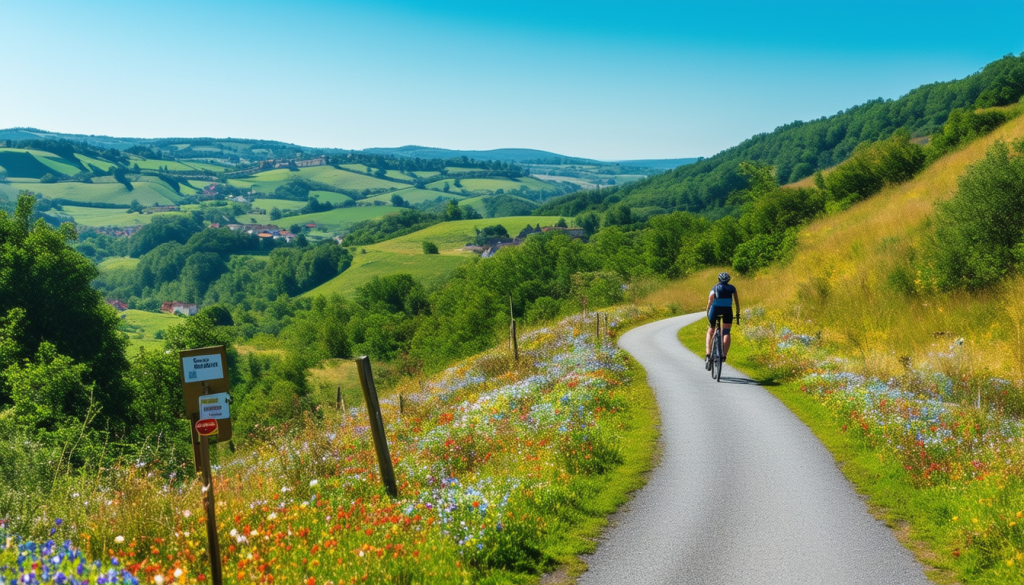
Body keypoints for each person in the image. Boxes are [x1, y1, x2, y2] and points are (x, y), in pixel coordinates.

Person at [705, 272, 739, 370]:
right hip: (728, 310)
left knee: (711, 330)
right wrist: (737, 313)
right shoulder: (732, 288)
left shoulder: (714, 288)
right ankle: (723, 355)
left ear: (719, 279)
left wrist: (707, 311)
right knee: (726, 331)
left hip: (715, 310)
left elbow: (710, 300)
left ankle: (708, 354)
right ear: (729, 280)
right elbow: (737, 302)